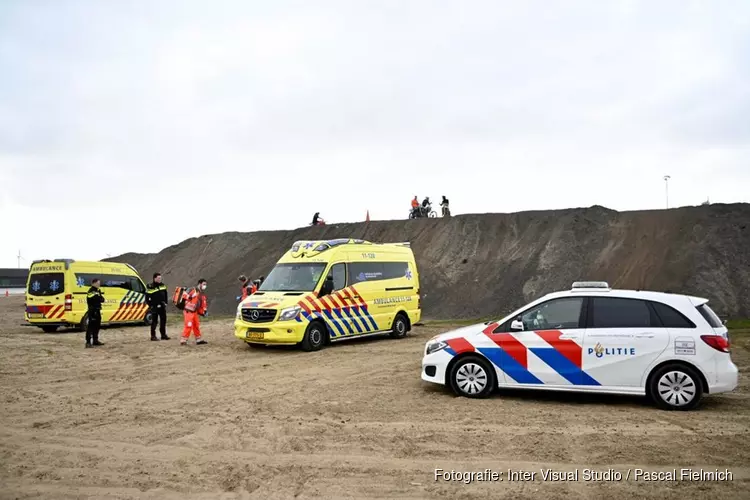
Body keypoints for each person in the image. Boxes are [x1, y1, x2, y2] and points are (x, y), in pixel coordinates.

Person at [181, 279, 208, 346]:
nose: (205, 286)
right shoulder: (193, 290)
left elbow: (201, 304)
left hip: (194, 311)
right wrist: (190, 297)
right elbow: (184, 295)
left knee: (196, 325)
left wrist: (203, 312)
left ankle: (198, 339)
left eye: (205, 284)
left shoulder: (201, 293)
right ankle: (183, 340)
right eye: (204, 284)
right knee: (189, 325)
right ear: (199, 284)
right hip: (188, 310)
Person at [146, 272, 170, 341]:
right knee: (154, 321)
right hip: (154, 307)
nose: (160, 279)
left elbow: (165, 294)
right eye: (158, 278)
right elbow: (147, 298)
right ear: (154, 278)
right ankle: (153, 336)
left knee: (163, 321)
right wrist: (151, 306)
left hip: (162, 306)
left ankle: (163, 335)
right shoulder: (150, 286)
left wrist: (166, 303)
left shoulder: (163, 285)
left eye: (160, 278)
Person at [85, 278, 105, 348]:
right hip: (92, 311)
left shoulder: (98, 291)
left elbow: (102, 299)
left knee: (97, 326)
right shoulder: (91, 291)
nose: (99, 284)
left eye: (99, 283)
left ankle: (95, 340)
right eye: (98, 283)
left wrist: (99, 298)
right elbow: (94, 299)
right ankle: (88, 342)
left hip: (97, 310)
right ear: (93, 283)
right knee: (91, 326)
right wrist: (99, 298)